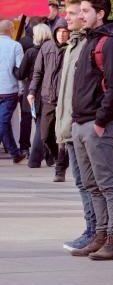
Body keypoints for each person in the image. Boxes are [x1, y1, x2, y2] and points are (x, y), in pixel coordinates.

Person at [69, 0, 113, 261]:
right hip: (81, 123)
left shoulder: (110, 44)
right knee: (91, 184)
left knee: (107, 184)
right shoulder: (89, 41)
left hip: (96, 124)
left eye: (85, 10)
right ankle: (100, 236)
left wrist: (100, 121)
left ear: (100, 13)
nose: (81, 15)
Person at [55, 0, 96, 251]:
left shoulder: (87, 45)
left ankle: (94, 231)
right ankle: (92, 229)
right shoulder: (72, 45)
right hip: (71, 125)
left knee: (90, 182)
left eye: (72, 13)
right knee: (82, 182)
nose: (66, 18)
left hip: (83, 124)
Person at [28, 25, 68, 175]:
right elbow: (38, 72)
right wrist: (32, 91)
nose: (62, 35)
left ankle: (60, 167)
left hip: (66, 98)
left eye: (65, 32)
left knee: (63, 133)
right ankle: (59, 157)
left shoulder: (71, 48)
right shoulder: (47, 47)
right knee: (45, 134)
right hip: (48, 97)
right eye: (59, 32)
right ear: (54, 32)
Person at [14, 24, 46, 162]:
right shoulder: (53, 49)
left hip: (32, 90)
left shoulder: (31, 52)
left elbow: (21, 73)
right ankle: (49, 155)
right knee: (43, 122)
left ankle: (31, 153)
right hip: (47, 90)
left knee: (33, 121)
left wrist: (13, 69)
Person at [0, 20, 24, 160]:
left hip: (7, 90)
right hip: (9, 89)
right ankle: (15, 153)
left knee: (4, 122)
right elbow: (20, 70)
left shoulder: (16, 45)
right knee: (3, 122)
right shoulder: (15, 46)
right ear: (11, 29)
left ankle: (15, 153)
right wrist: (21, 89)